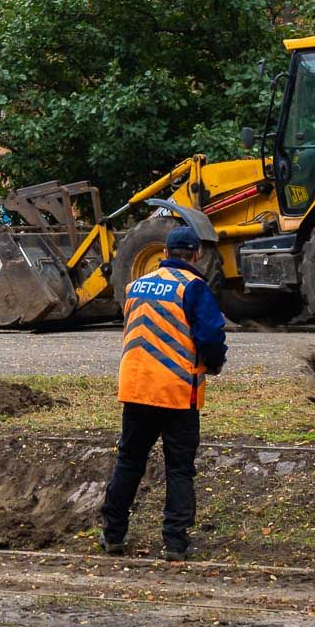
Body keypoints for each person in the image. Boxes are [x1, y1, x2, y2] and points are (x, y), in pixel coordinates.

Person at [100, 226, 227, 561]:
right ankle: (175, 542)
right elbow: (211, 336)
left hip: (137, 389)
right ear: (196, 254)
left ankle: (112, 534)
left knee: (130, 461)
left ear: (165, 253)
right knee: (179, 468)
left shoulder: (136, 286)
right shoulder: (194, 287)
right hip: (176, 391)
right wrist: (215, 364)